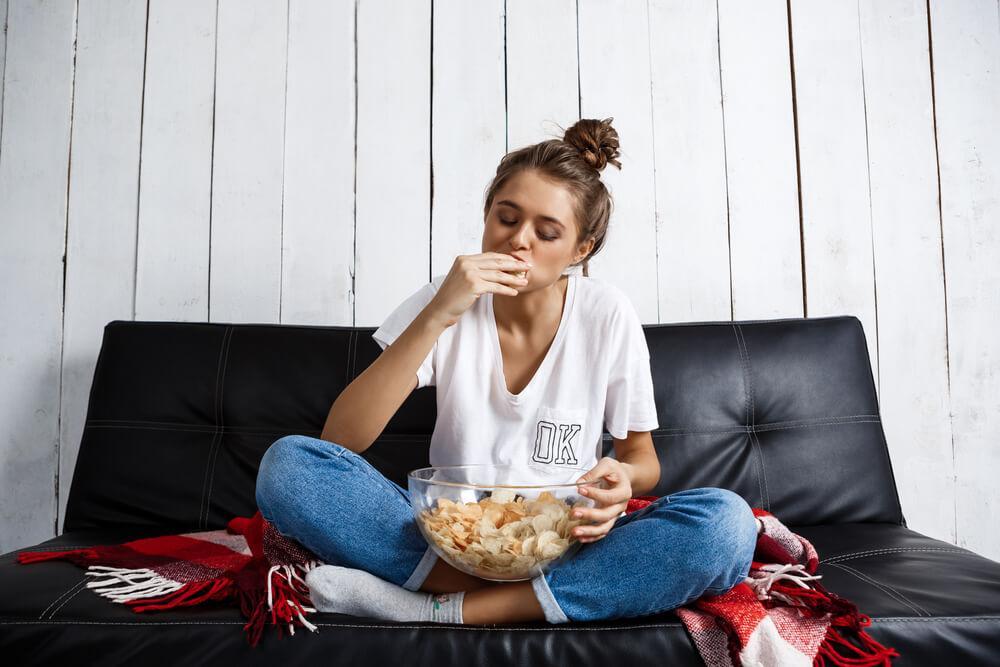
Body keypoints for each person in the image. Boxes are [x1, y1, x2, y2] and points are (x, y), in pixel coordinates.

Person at [254, 117, 760, 626]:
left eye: (547, 232)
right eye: (506, 218)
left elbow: (640, 458)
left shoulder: (606, 313)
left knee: (727, 526)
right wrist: (438, 314)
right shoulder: (445, 297)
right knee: (289, 466)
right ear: (487, 215)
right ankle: (539, 599)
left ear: (580, 250)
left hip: (568, 541)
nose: (519, 241)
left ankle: (438, 609)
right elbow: (342, 438)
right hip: (450, 538)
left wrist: (623, 478)